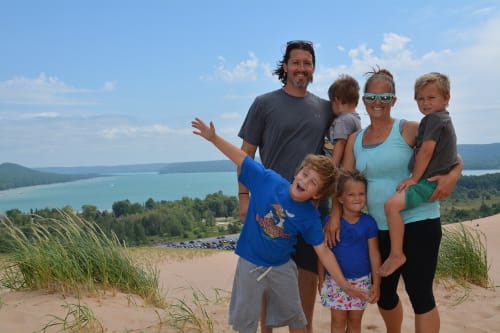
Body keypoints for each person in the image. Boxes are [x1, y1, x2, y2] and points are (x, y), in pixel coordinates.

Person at [191, 117, 367, 333]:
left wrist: (345, 285)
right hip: (250, 264)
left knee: (297, 317)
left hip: (282, 267)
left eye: (313, 183)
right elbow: (240, 158)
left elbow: (324, 253)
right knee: (245, 321)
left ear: (318, 195)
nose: (304, 181)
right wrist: (213, 138)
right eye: (305, 174)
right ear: (296, 173)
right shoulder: (268, 180)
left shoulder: (309, 215)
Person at [325, 68, 462, 333]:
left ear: (394, 100)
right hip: (378, 229)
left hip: (420, 221)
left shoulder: (411, 129)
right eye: (372, 97)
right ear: (363, 100)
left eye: (385, 97)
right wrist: (334, 215)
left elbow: (450, 155)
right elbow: (344, 181)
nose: (378, 102)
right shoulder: (355, 139)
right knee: (385, 296)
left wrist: (454, 175)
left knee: (420, 294)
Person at [237, 40, 333, 333]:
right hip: (271, 211)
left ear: (313, 68)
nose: (301, 68)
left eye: (307, 63)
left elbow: (346, 148)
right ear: (285, 66)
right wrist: (243, 198)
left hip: (310, 214)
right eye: (296, 62)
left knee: (304, 290)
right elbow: (245, 156)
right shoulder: (264, 104)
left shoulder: (326, 108)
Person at [379, 72, 459, 277]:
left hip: (427, 182)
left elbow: (426, 150)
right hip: (430, 181)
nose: (425, 103)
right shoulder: (442, 119)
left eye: (431, 98)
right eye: (420, 99)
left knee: (391, 206)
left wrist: (414, 179)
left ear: (446, 98)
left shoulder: (433, 120)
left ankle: (396, 254)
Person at [318, 169, 381, 333]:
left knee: (354, 323)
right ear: (340, 198)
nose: (357, 198)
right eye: (351, 194)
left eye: (361, 194)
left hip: (362, 282)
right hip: (335, 281)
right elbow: (323, 253)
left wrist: (377, 283)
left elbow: (374, 255)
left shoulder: (369, 223)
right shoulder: (329, 223)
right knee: (338, 323)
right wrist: (321, 279)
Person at [323, 74, 362, 166]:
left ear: (336, 100)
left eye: (331, 102)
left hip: (336, 167)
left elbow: (340, 143)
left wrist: (332, 168)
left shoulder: (343, 120)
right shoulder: (355, 119)